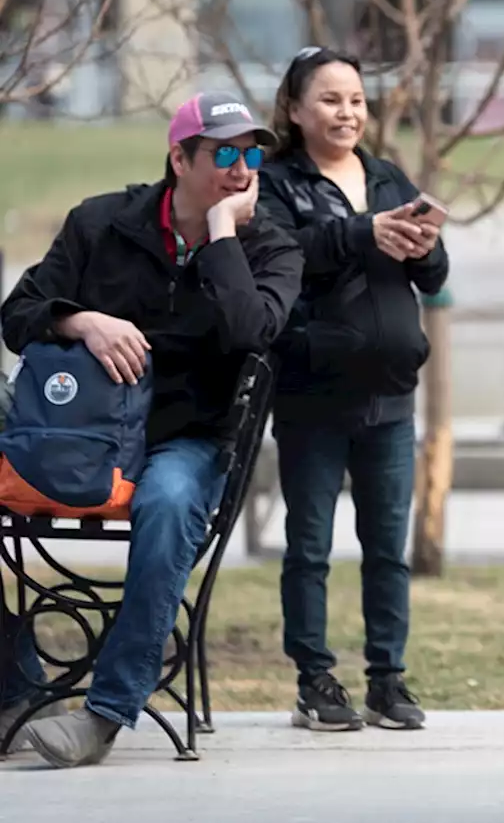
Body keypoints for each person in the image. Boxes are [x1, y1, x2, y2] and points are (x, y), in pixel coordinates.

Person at [0, 91, 303, 768]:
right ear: (179, 157)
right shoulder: (101, 223)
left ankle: (104, 714)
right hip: (82, 439)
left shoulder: (271, 247)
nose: (243, 167)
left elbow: (252, 331)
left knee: (167, 505)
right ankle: (16, 685)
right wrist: (79, 320)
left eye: (252, 152)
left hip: (185, 440)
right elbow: (17, 313)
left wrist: (224, 235)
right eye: (225, 152)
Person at [256, 46, 448, 733]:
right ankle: (314, 679)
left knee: (386, 548)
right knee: (309, 547)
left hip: (391, 399)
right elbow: (280, 254)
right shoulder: (274, 183)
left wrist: (425, 245)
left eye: (357, 101)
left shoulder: (388, 176)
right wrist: (363, 232)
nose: (348, 112)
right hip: (312, 398)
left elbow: (432, 276)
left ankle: (386, 680)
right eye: (332, 100)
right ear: (296, 109)